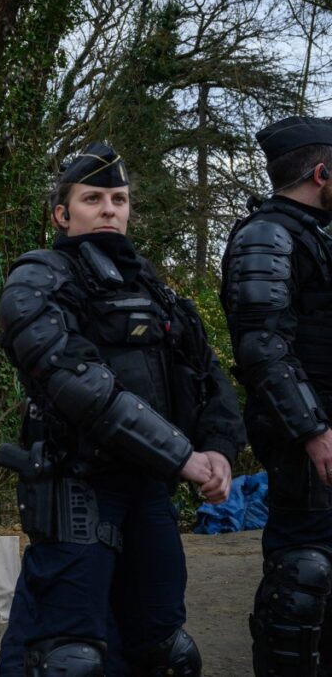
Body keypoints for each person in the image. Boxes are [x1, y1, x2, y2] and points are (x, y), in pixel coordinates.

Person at [0, 142, 243, 676]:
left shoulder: (156, 290)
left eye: (119, 198)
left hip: (150, 493)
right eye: (93, 198)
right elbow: (79, 385)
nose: (109, 208)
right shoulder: (36, 280)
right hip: (76, 491)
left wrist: (219, 449)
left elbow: (207, 376)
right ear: (63, 214)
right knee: (68, 658)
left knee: (165, 650)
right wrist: (183, 457)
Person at [221, 116, 332, 676]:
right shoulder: (267, 236)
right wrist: (313, 429)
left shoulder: (315, 235)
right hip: (304, 439)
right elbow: (262, 344)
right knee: (301, 577)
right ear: (321, 173)